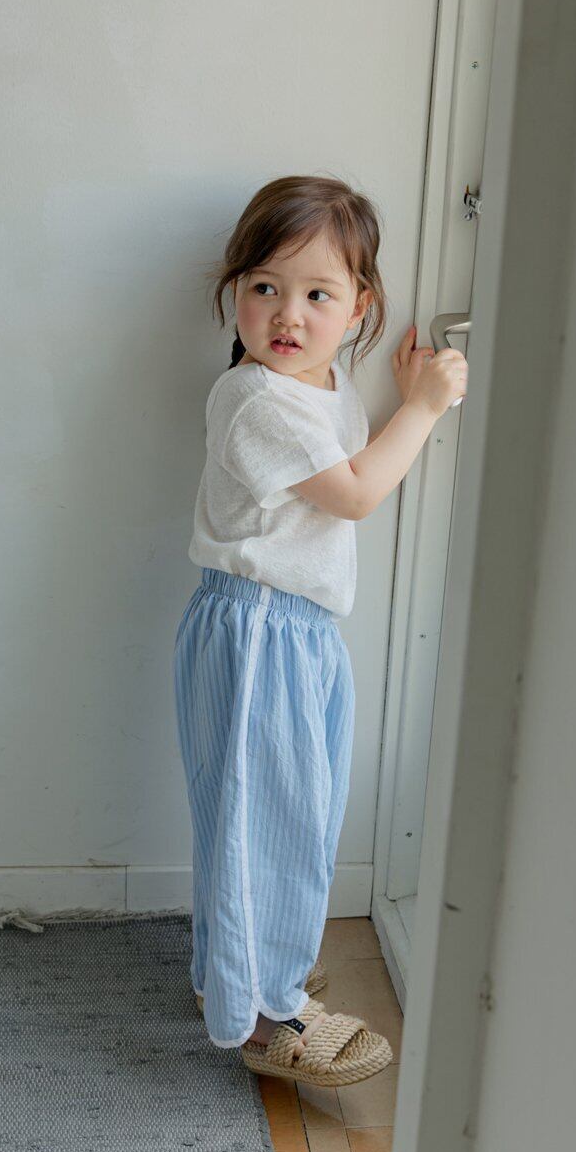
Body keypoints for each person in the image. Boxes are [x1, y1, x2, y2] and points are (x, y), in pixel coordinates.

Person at [173, 174, 468, 1087]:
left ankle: (245, 980)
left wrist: (396, 398)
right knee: (265, 819)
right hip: (258, 629)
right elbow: (355, 493)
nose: (287, 315)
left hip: (296, 633)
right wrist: (423, 407)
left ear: (359, 307)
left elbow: (342, 463)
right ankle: (265, 1016)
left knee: (289, 814)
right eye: (264, 287)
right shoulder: (256, 399)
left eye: (317, 295)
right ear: (234, 293)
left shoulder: (322, 385)